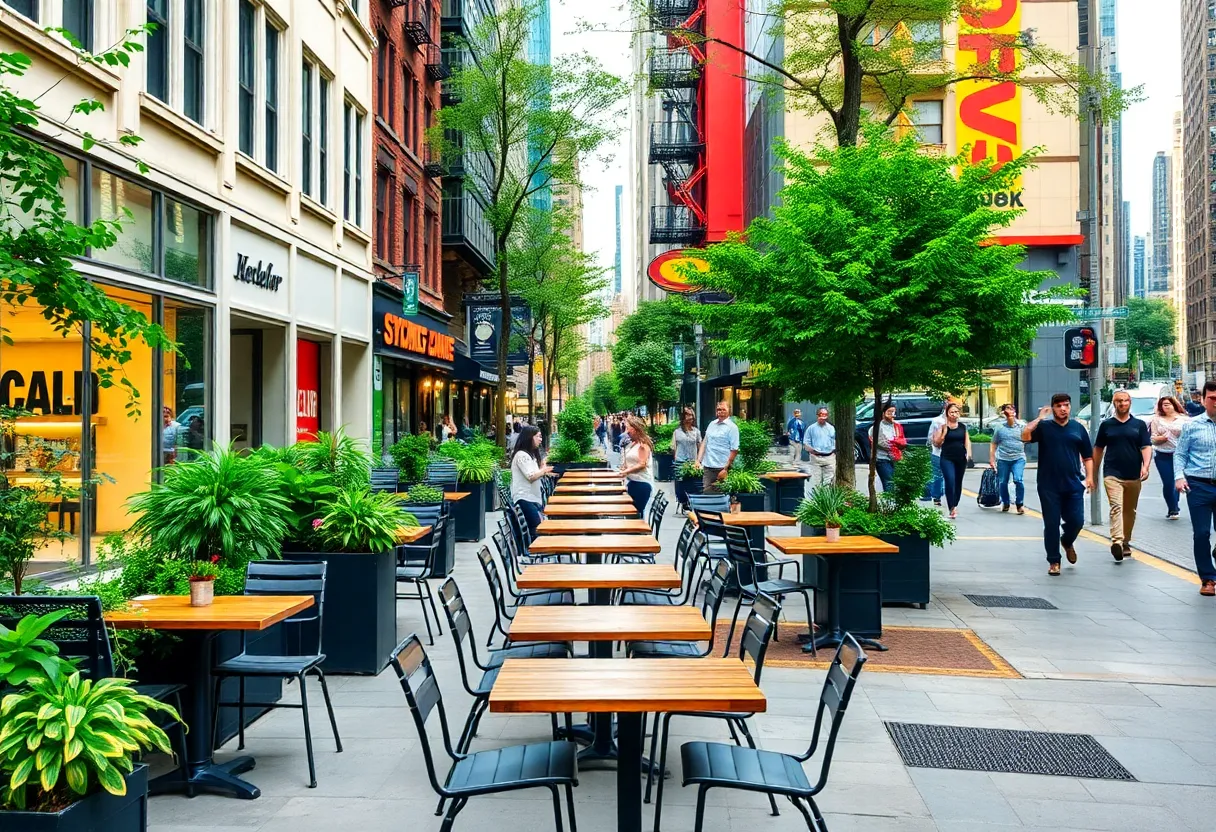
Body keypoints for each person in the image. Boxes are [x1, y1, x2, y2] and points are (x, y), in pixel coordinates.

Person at [1022, 393, 1094, 576]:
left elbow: (1088, 456)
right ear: (1053, 408)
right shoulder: (1044, 427)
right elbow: (1025, 435)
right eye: (1059, 405)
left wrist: (1090, 477)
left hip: (1073, 483)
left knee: (1077, 521)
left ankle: (1067, 541)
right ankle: (1054, 561)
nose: (1063, 409)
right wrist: (1040, 417)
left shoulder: (1078, 428)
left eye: (1066, 405)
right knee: (1051, 524)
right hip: (1048, 485)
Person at [1093, 390, 1152, 562]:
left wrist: (1146, 467)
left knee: (1129, 511)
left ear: (1130, 402)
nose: (1122, 404)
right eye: (1119, 401)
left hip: (1133, 474)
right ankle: (1117, 542)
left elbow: (1146, 447)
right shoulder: (1107, 425)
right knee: (1116, 507)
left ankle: (1126, 541)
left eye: (1125, 401)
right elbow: (1098, 449)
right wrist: (1094, 473)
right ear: (1114, 403)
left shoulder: (1139, 425)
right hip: (1112, 473)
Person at [1173, 380, 1216, 596]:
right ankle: (1208, 579)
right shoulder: (1192, 425)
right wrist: (1179, 477)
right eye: (1212, 398)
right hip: (1199, 485)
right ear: (1203, 399)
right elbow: (1180, 453)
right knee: (1201, 533)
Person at [510, 424, 553, 538]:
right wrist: (544, 470)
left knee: (538, 527)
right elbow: (531, 476)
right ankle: (536, 550)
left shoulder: (529, 455)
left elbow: (534, 473)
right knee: (537, 529)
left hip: (532, 498)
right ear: (530, 437)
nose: (541, 439)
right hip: (525, 498)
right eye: (538, 436)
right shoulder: (521, 456)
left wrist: (543, 467)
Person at [1150, 396, 1188, 520]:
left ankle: (1175, 504)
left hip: (1179, 455)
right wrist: (1159, 439)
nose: (1165, 407)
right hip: (1162, 454)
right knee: (1168, 482)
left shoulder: (1184, 419)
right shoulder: (1156, 420)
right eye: (1163, 404)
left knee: (1177, 480)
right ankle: (1172, 508)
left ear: (1174, 404)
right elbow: (1153, 438)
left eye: (1168, 404)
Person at [932, 402, 971, 519]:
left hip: (960, 458)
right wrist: (943, 434)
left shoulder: (963, 427)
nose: (954, 414)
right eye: (952, 412)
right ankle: (951, 507)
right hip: (947, 458)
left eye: (956, 412)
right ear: (947, 414)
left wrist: (968, 454)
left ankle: (955, 504)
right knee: (950, 481)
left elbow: (967, 441)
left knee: (958, 482)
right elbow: (936, 443)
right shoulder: (943, 427)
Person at [988, 403, 1027, 514]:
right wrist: (992, 459)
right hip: (1003, 459)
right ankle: (1006, 502)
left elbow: (1028, 437)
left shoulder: (1021, 425)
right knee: (1003, 482)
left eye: (1012, 409)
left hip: (1018, 458)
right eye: (1007, 410)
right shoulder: (1000, 427)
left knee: (1018, 480)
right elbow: (994, 443)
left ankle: (1019, 503)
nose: (1010, 411)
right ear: (1004, 413)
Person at [697, 400, 740, 493]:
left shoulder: (732, 427)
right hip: (708, 467)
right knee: (707, 494)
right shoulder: (712, 424)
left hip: (721, 468)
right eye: (718, 409)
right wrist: (698, 461)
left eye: (723, 409)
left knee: (721, 496)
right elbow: (704, 443)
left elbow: (734, 449)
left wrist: (725, 469)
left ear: (729, 411)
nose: (720, 411)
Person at [619, 415, 655, 516]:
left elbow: (642, 464)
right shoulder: (633, 443)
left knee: (636, 513)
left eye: (627, 428)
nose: (626, 431)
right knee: (631, 512)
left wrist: (625, 472)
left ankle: (638, 530)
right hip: (633, 483)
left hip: (642, 485)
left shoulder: (643, 445)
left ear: (635, 429)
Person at [671, 407, 702, 513]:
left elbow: (700, 446)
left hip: (692, 462)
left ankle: (691, 502)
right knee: (681, 484)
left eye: (691, 415)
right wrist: (675, 459)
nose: (690, 417)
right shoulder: (677, 432)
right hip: (680, 461)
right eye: (687, 415)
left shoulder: (696, 432)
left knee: (693, 484)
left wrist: (699, 460)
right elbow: (673, 447)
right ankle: (683, 503)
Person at [873, 401, 906, 493]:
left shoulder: (897, 425)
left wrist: (898, 443)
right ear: (883, 413)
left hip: (896, 458)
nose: (892, 415)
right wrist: (895, 443)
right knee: (889, 483)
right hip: (882, 459)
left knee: (899, 482)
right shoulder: (877, 427)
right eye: (889, 412)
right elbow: (882, 443)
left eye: (893, 412)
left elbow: (902, 441)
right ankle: (890, 504)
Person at [921, 403, 948, 506]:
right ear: (945, 408)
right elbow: (930, 437)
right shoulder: (937, 421)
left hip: (952, 454)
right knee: (937, 475)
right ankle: (937, 496)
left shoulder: (957, 423)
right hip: (938, 452)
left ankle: (945, 494)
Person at [802, 407, 836, 487]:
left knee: (828, 482)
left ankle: (826, 499)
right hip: (816, 458)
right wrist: (813, 451)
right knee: (817, 483)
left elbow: (835, 440)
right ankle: (818, 498)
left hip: (829, 458)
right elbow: (806, 444)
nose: (823, 417)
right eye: (821, 415)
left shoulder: (831, 428)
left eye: (825, 415)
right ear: (817, 415)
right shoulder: (811, 428)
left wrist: (833, 451)